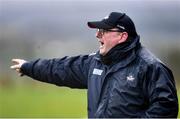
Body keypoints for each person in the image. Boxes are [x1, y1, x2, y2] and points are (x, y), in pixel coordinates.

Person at [10, 12, 178, 118]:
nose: (97, 35)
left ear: (122, 36)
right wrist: (28, 67)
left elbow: (165, 109)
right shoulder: (95, 62)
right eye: (97, 31)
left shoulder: (151, 67)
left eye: (103, 31)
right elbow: (61, 69)